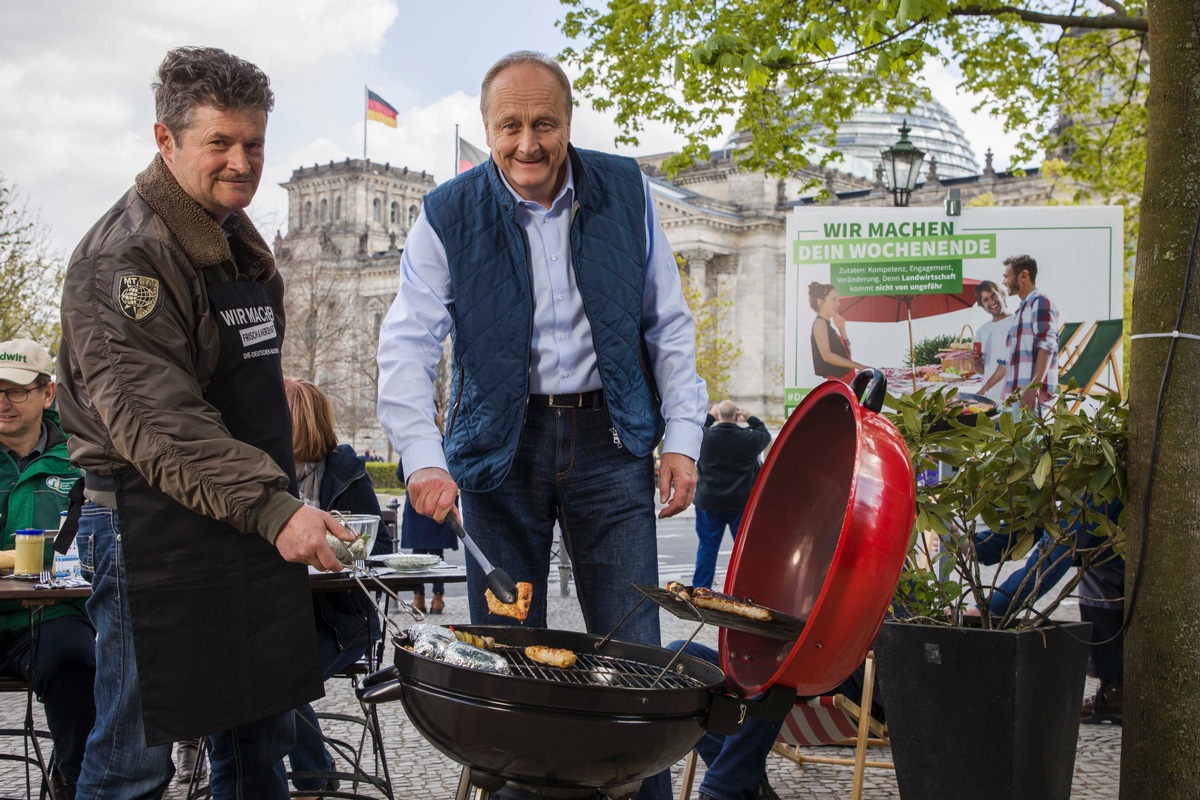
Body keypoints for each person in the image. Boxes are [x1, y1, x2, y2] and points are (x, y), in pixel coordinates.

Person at [57, 46, 355, 800]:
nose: (241, 161)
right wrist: (273, 505)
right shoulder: (125, 257)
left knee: (259, 744)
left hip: (244, 519)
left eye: (253, 143)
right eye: (218, 142)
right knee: (136, 758)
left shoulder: (239, 241)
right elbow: (156, 421)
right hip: (150, 527)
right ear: (166, 140)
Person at [376, 51, 706, 652]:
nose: (527, 144)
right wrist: (422, 456)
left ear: (569, 122)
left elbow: (669, 325)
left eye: (543, 124)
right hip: (499, 446)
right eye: (510, 126)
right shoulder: (446, 214)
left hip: (611, 441)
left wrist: (682, 437)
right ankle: (507, 750)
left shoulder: (628, 191)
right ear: (488, 130)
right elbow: (406, 343)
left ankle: (624, 747)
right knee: (501, 653)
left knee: (633, 646)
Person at [284, 377, 393, 796]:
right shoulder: (266, 474)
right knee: (254, 669)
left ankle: (314, 776)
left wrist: (330, 543)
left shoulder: (345, 469)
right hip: (284, 612)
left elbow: (379, 547)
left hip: (342, 617)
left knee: (280, 680)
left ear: (299, 423)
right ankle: (309, 771)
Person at [0, 339, 96, 799]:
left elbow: (95, 541)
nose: (2, 402)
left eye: (15, 391)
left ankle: (75, 781)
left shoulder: (83, 459)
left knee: (78, 661)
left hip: (48, 612)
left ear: (47, 394)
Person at [658, 641, 885, 800]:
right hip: (772, 669)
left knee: (773, 664)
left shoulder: (891, 582)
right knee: (678, 656)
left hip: (838, 676)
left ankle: (722, 791)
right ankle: (744, 782)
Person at [691, 401, 771, 589]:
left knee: (707, 548)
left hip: (708, 502)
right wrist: (751, 417)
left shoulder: (705, 437)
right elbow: (765, 435)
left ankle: (701, 589)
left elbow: (695, 431)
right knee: (744, 550)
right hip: (741, 503)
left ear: (719, 414)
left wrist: (710, 416)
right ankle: (749, 588)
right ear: (737, 416)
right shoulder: (749, 439)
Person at [978, 255, 1059, 410]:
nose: (1003, 281)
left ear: (1024, 275)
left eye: (1006, 276)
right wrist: (984, 389)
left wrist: (1033, 389)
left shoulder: (1040, 301)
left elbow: (1047, 347)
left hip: (1031, 399)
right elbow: (1006, 361)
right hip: (1017, 398)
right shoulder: (1021, 310)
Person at [399, 402, 458, 615]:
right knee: (436, 555)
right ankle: (437, 598)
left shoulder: (415, 444)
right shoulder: (445, 442)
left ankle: (419, 598)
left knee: (418, 555)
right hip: (439, 503)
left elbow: (401, 474)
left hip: (418, 504)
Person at [809, 282, 866, 382]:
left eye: (838, 300)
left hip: (846, 380)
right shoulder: (819, 323)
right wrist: (859, 365)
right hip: (838, 382)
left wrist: (842, 329)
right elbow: (827, 356)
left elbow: (847, 356)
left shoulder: (828, 326)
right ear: (820, 301)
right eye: (833, 299)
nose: (838, 303)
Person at [973, 280, 1016, 404]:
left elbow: (1007, 364)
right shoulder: (982, 331)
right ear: (983, 306)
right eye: (985, 300)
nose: (991, 302)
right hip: (990, 400)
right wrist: (975, 363)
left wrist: (983, 389)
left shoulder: (1017, 323)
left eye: (993, 295)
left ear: (1002, 295)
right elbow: (982, 370)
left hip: (1012, 400)